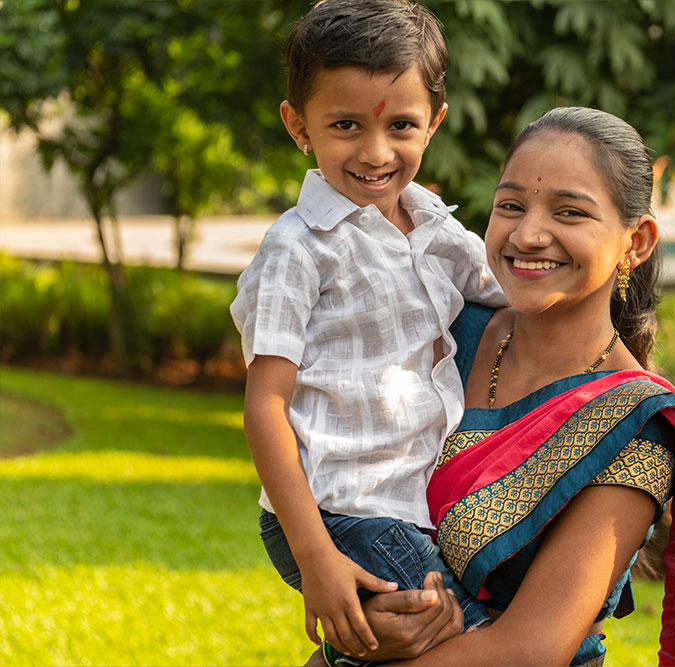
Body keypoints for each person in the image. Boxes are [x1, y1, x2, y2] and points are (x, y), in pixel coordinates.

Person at [339, 106, 675, 667]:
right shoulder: (448, 334)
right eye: (510, 206)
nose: (528, 234)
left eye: (569, 212)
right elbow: (346, 498)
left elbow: (530, 650)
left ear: (637, 242)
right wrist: (359, 623)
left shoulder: (632, 423)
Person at [229, 0, 504, 663]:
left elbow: (510, 300)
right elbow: (264, 404)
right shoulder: (299, 249)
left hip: (413, 505)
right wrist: (315, 555)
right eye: (345, 125)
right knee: (498, 641)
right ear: (299, 126)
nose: (375, 153)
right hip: (338, 510)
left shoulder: (435, 227)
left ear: (434, 122)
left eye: (402, 125)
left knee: (449, 632)